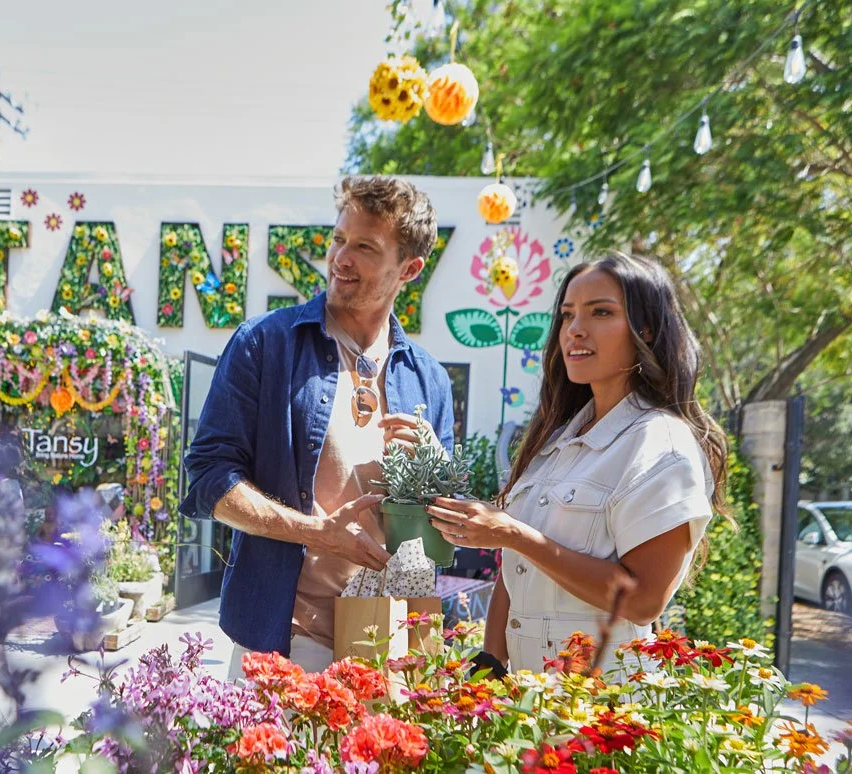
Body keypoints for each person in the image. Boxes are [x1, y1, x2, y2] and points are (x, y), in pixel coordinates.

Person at [181, 176, 456, 673]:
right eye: (339, 239)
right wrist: (315, 532)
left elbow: (448, 523)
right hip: (282, 644)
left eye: (365, 247)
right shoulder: (265, 344)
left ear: (409, 269)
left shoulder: (430, 379)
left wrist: (436, 470)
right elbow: (206, 477)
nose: (341, 258)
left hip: (391, 646)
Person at [426, 253, 728, 673]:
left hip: (603, 712)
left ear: (645, 329)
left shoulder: (662, 446)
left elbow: (641, 600)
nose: (575, 330)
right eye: (567, 316)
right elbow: (517, 572)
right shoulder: (558, 441)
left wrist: (515, 534)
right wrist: (491, 661)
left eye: (600, 312)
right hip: (531, 704)